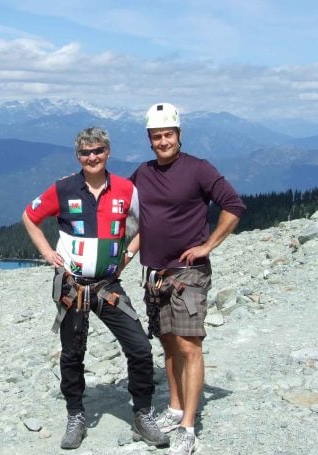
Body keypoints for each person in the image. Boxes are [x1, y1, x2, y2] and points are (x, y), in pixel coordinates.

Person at [22, 126, 169, 450]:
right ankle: (76, 415)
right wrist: (47, 253)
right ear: (78, 156)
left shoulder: (125, 189)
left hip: (108, 285)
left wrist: (129, 253)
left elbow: (148, 223)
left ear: (108, 152)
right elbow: (29, 216)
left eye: (98, 150)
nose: (92, 157)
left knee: (140, 348)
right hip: (71, 284)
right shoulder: (63, 189)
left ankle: (142, 415)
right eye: (86, 152)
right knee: (73, 353)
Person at [123, 103, 246, 455]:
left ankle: (189, 426)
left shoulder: (198, 169)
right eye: (156, 136)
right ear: (149, 140)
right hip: (156, 274)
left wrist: (208, 245)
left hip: (188, 273)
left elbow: (233, 205)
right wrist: (126, 253)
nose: (163, 141)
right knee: (169, 343)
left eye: (168, 135)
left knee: (190, 346)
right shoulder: (143, 173)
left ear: (179, 135)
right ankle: (175, 408)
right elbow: (132, 214)